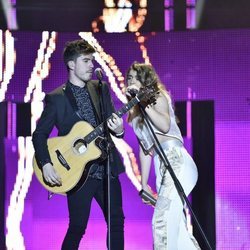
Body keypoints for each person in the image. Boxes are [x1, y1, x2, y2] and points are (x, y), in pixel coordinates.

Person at [32, 39, 125, 250]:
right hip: (78, 174)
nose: (92, 65)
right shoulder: (56, 98)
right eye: (86, 61)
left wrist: (119, 131)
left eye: (92, 60)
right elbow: (39, 134)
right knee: (77, 227)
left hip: (106, 169)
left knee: (117, 222)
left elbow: (112, 125)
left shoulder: (101, 88)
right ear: (72, 64)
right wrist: (46, 163)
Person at [125, 62, 200, 250]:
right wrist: (144, 186)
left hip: (176, 160)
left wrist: (143, 102)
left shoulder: (158, 97)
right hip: (161, 169)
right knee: (178, 231)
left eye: (134, 78)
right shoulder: (134, 115)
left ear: (144, 81)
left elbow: (164, 125)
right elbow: (145, 149)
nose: (129, 82)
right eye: (128, 79)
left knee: (162, 221)